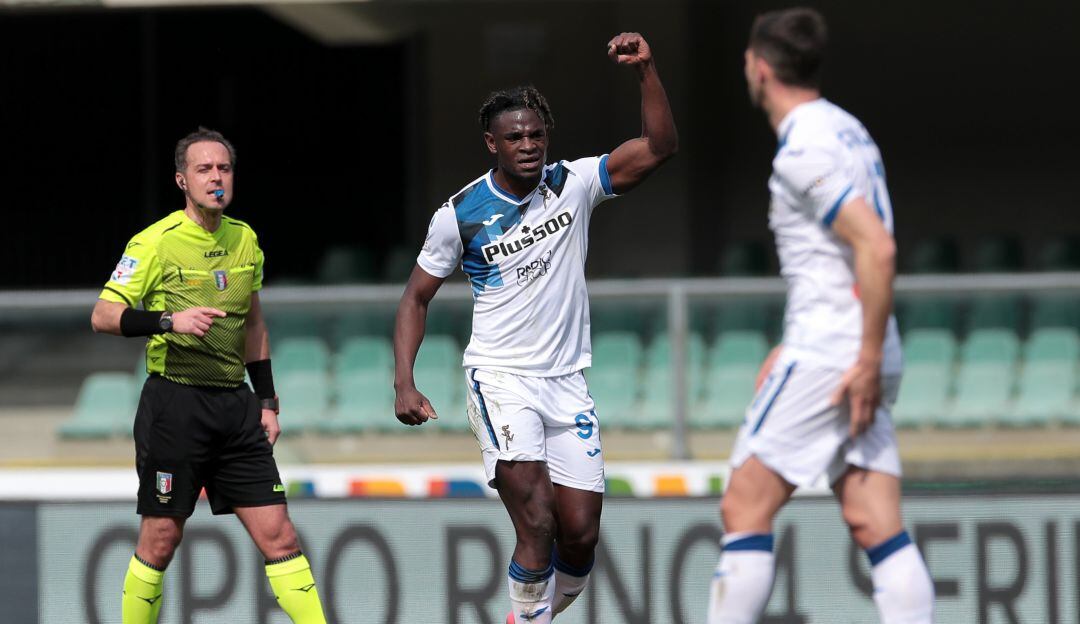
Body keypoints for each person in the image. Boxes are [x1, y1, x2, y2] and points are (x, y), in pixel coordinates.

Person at [393, 32, 677, 623]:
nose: (528, 145)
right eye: (515, 137)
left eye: (536, 135)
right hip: (501, 380)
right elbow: (416, 298)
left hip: (567, 381)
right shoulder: (459, 215)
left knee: (580, 536)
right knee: (537, 520)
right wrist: (405, 381)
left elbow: (659, 146)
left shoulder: (574, 183)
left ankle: (531, 614)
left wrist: (646, 70)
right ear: (491, 143)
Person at [706, 8, 935, 624]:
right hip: (860, 345)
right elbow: (833, 258)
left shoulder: (802, 149)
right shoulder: (848, 129)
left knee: (743, 507)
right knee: (875, 520)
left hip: (838, 352)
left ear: (759, 68)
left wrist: (860, 358)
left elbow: (876, 248)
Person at [91, 128, 327, 624]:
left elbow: (254, 323)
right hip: (174, 406)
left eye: (224, 168)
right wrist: (167, 321)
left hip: (236, 409)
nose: (216, 178)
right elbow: (103, 316)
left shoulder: (245, 238)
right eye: (204, 169)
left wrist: (267, 401)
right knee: (161, 538)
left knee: (280, 535)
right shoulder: (154, 242)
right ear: (182, 180)